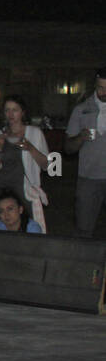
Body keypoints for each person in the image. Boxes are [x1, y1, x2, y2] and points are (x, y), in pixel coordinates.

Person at [0, 94, 50, 232]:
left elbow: (47, 165)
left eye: (14, 110)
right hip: (0, 187)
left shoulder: (34, 133)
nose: (10, 114)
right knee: (2, 226)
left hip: (24, 188)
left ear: (23, 112)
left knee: (26, 226)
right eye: (7, 110)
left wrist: (30, 148)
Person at [65, 66, 106, 238]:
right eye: (101, 88)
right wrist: (81, 137)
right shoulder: (81, 110)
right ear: (95, 86)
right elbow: (68, 148)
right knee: (84, 228)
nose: (104, 92)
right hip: (89, 178)